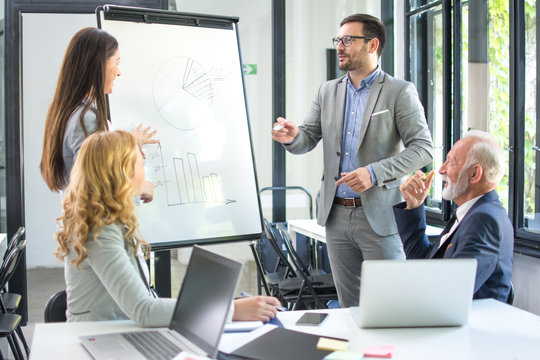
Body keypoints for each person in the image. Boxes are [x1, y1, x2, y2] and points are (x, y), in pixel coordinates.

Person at [271, 14, 433, 307]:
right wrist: (293, 137)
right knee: (349, 306)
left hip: (380, 216)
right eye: (338, 40)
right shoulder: (327, 90)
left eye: (348, 40)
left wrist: (373, 173)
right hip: (336, 216)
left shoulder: (398, 91)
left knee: (389, 307)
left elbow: (423, 148)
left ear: (372, 44)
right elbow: (308, 138)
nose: (340, 46)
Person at [56, 130, 282, 326]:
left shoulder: (105, 216)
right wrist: (232, 310)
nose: (145, 174)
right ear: (122, 173)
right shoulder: (101, 230)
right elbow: (144, 310)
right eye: (140, 164)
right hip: (101, 340)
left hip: (117, 330)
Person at [393, 130, 513, 302]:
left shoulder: (484, 220)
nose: (441, 169)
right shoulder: (471, 212)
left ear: (474, 174)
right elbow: (424, 263)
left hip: (466, 324)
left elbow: (451, 291)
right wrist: (414, 205)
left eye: (450, 162)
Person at [40, 27, 157, 201]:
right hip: (93, 226)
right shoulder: (87, 117)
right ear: (99, 64)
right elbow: (93, 188)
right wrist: (137, 187)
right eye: (116, 62)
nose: (119, 72)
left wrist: (126, 143)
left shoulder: (70, 111)